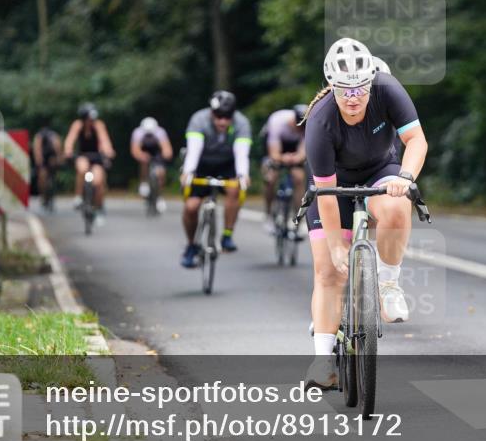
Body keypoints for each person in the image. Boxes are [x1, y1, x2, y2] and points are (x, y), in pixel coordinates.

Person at [301, 38, 427, 389]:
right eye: (344, 90)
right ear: (331, 87)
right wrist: (337, 246)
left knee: (400, 207)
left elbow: (416, 140)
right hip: (333, 187)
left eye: (359, 88)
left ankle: (388, 283)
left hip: (380, 171)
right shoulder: (320, 121)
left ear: (371, 82)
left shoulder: (388, 89)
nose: (353, 97)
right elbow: (325, 191)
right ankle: (322, 361)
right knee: (328, 272)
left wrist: (405, 177)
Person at [179, 91, 252, 268]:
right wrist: (188, 172)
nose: (222, 122)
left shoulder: (241, 123)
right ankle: (191, 245)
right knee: (191, 207)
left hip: (228, 164)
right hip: (202, 165)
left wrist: (243, 174)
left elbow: (241, 153)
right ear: (211, 113)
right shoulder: (199, 120)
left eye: (227, 117)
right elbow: (194, 150)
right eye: (218, 116)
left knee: (235, 188)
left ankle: (227, 235)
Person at [260, 104, 309, 232]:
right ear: (293, 120)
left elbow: (303, 152)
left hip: (294, 149)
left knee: (298, 177)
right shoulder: (277, 121)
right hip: (275, 144)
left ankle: (298, 218)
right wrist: (282, 158)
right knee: (270, 177)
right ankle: (268, 214)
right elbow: (273, 153)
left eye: (302, 127)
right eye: (298, 126)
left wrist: (295, 159)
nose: (299, 130)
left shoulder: (308, 125)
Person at [63, 102, 116, 216]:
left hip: (97, 157)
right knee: (82, 169)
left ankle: (97, 205)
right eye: (89, 119)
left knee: (97, 181)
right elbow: (70, 139)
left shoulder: (98, 125)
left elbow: (104, 139)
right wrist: (68, 150)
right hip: (83, 155)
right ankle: (78, 197)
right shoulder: (78, 125)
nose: (91, 121)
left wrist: (108, 150)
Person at [130, 116, 174, 212]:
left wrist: (166, 155)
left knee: (161, 172)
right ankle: (144, 182)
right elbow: (135, 149)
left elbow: (167, 148)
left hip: (156, 152)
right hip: (144, 151)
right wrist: (141, 156)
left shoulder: (160, 132)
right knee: (144, 161)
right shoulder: (138, 132)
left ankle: (159, 196)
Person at [32, 124, 62, 209]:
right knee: (43, 177)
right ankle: (44, 195)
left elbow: (57, 148)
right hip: (46, 157)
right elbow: (38, 151)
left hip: (51, 157)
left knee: (45, 176)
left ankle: (48, 194)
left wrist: (58, 159)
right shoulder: (43, 137)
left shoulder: (42, 136)